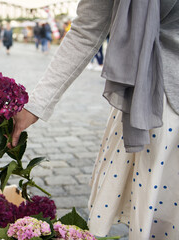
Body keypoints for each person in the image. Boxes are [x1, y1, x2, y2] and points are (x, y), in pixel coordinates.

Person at [11, 0, 179, 239]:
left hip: (157, 102)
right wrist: (36, 104)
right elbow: (86, 29)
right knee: (160, 218)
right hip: (154, 106)